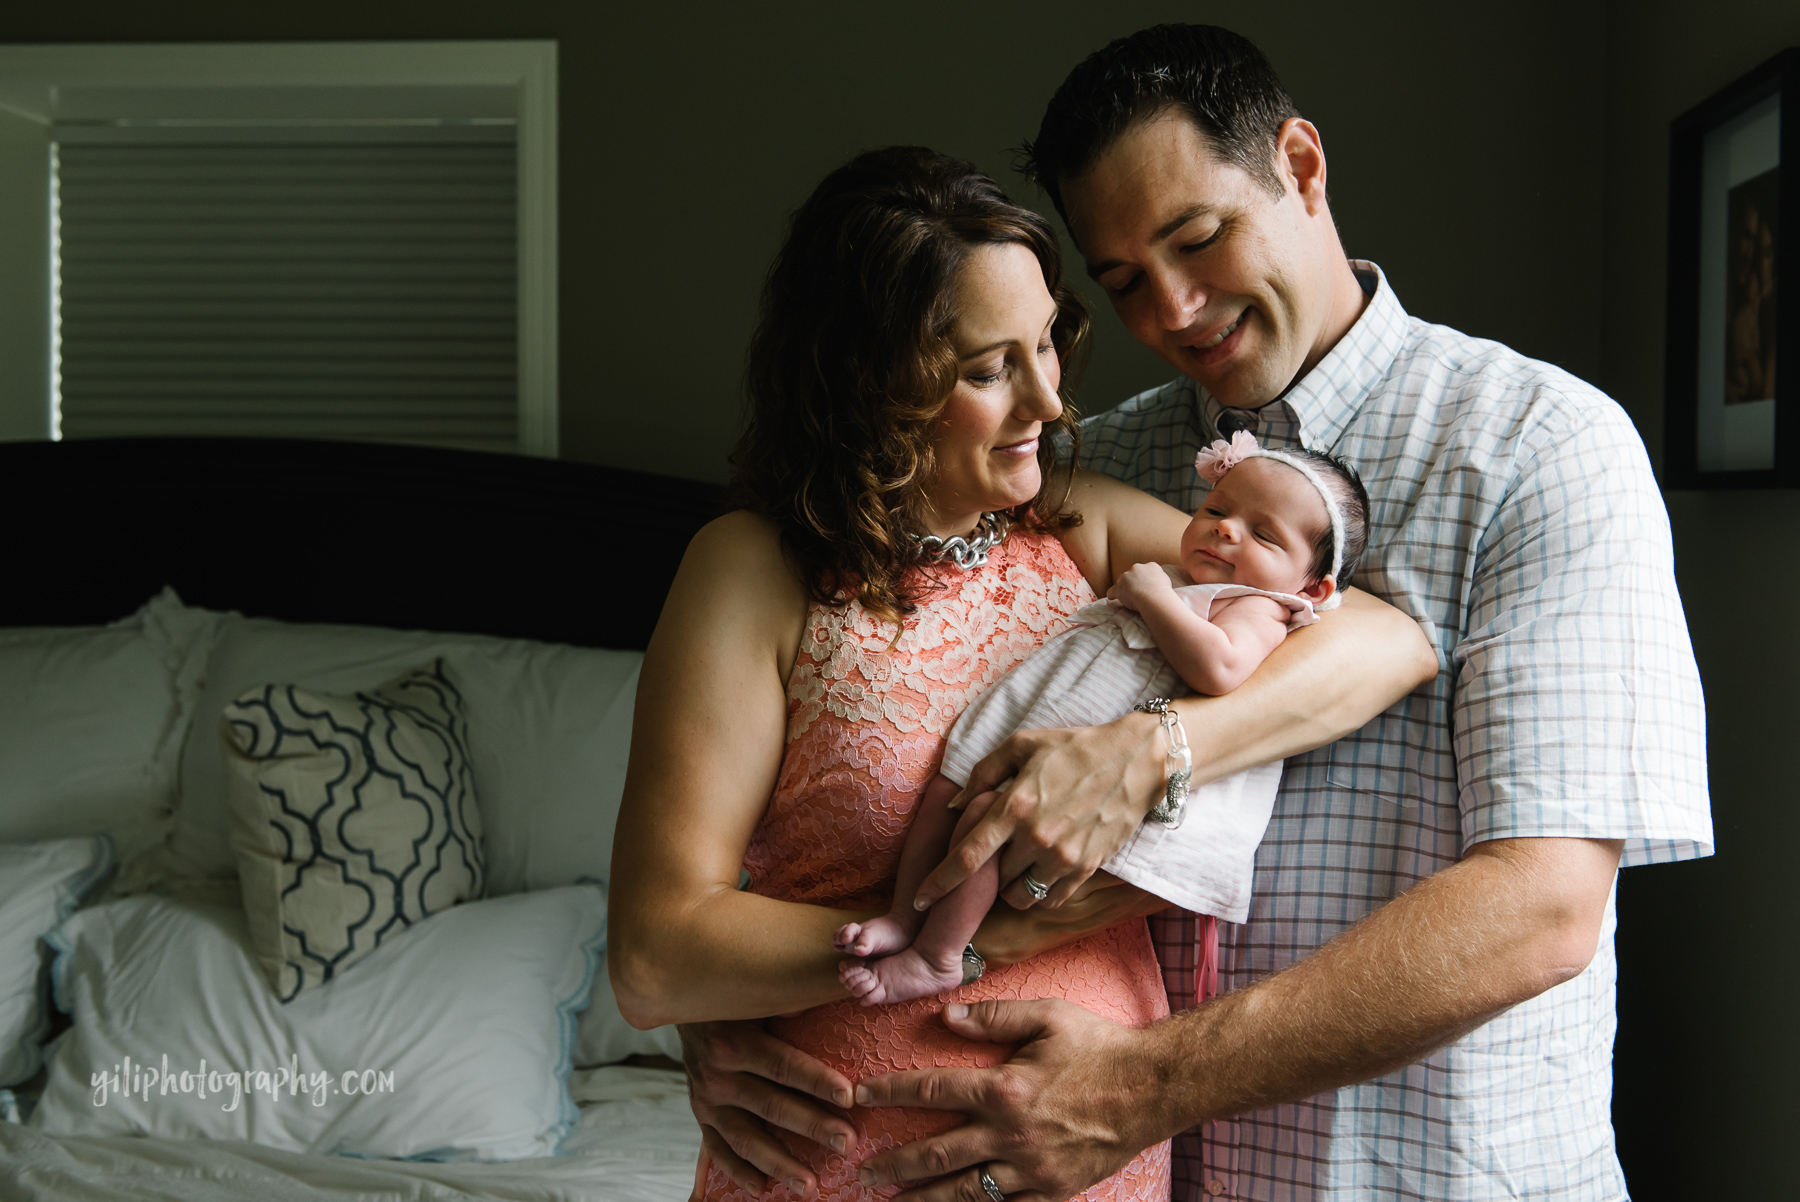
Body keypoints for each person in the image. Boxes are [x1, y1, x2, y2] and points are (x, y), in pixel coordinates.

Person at [677, 24, 1711, 1202]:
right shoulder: (1084, 477)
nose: (1172, 308)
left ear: (1304, 167)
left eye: (1199, 237)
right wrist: (731, 1015)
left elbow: (1543, 907)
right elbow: (842, 780)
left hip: (1430, 1174)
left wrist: (1153, 769)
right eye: (1121, 281)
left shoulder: (1536, 446)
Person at [607, 143, 1435, 1202]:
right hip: (842, 1161)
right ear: (870, 379)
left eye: (1049, 342)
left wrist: (1153, 751)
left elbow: (1382, 638)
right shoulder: (752, 572)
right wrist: (952, 935)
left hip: (1098, 1149)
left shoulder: (1083, 532)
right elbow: (654, 952)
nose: (1049, 399)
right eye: (989, 368)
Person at [836, 433, 1370, 1007]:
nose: (1225, 529)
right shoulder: (1187, 576)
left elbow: (1220, 667)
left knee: (990, 822)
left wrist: (1153, 597)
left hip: (1087, 757)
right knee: (950, 788)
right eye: (1216, 509)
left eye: (1263, 534)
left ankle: (939, 954)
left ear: (1313, 587)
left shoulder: (1261, 607)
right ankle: (901, 912)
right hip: (1046, 714)